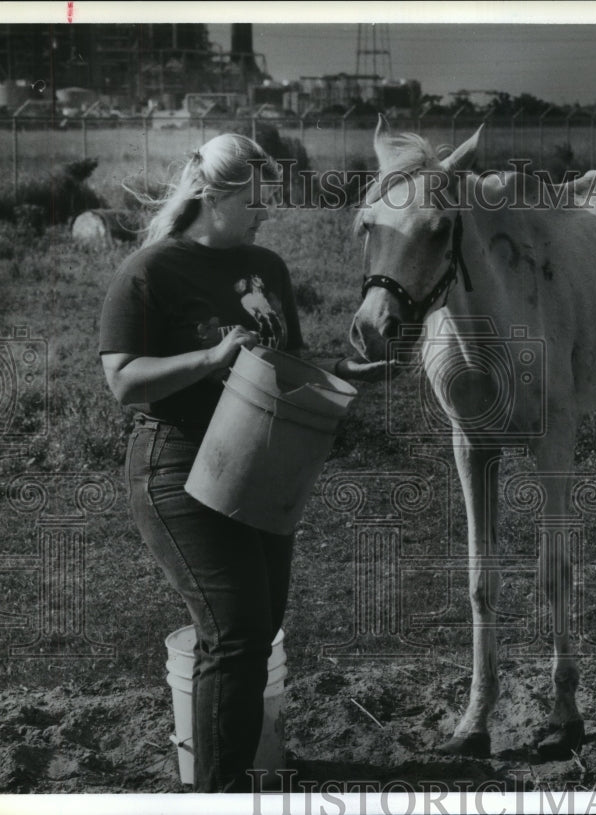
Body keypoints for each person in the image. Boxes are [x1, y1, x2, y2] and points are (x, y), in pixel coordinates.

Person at [98, 133, 385, 792]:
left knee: (257, 631)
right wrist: (209, 358)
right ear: (212, 194)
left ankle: (243, 769)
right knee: (235, 630)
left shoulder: (269, 267)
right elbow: (123, 382)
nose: (266, 214)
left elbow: (284, 364)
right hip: (177, 465)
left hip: (262, 459)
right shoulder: (149, 272)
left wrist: (344, 369)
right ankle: (221, 793)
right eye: (255, 201)